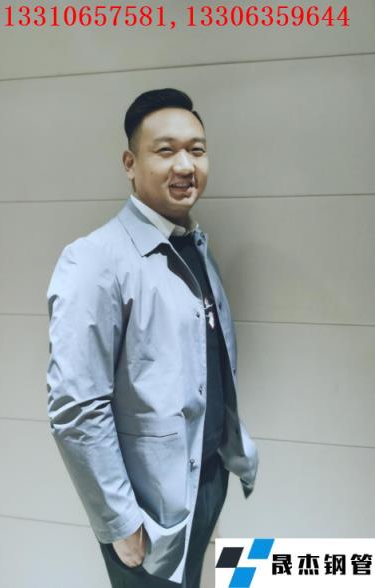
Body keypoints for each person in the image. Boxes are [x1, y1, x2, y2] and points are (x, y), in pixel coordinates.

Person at [46, 88, 258, 587]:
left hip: (204, 477)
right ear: (130, 163)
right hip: (146, 511)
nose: (185, 165)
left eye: (196, 150)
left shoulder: (193, 245)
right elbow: (76, 406)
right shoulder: (95, 260)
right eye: (166, 151)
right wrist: (120, 521)